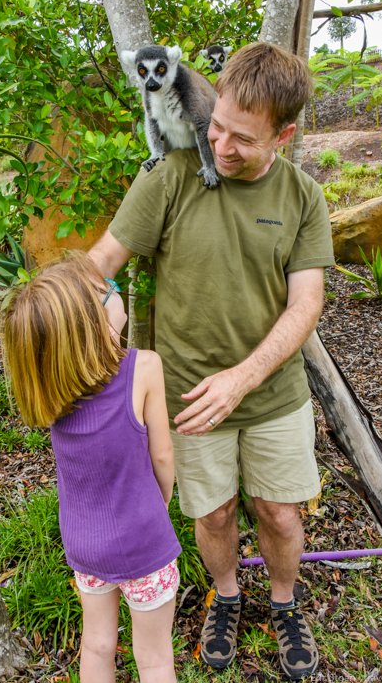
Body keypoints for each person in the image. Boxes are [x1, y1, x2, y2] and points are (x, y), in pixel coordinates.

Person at [89, 42, 335, 679]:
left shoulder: (304, 196)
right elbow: (97, 268)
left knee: (279, 512)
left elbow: (306, 305)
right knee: (214, 511)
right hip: (190, 395)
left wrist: (243, 378)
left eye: (242, 140)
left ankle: (284, 602)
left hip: (273, 392)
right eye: (216, 126)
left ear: (283, 135)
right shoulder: (169, 175)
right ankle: (225, 596)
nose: (220, 146)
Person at [1, 251, 181, 683]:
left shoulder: (51, 392)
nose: (115, 289)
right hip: (144, 542)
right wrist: (163, 500)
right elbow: (163, 457)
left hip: (85, 546)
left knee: (97, 644)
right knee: (154, 658)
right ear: (95, 323)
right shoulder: (144, 368)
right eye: (109, 291)